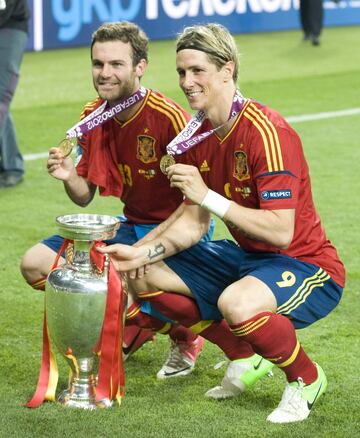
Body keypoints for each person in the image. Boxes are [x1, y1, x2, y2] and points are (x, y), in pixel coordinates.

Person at [98, 23, 345, 424]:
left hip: (305, 263)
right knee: (143, 275)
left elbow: (281, 231)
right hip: (249, 260)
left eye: (197, 71)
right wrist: (139, 252)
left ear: (227, 70)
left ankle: (307, 378)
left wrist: (209, 196)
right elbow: (192, 223)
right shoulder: (197, 135)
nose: (187, 82)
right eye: (181, 72)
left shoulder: (267, 132)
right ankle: (245, 353)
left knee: (236, 303)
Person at [20, 21, 210, 379]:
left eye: (116, 64)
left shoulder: (168, 117)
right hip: (129, 226)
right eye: (98, 64)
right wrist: (69, 175)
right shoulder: (92, 114)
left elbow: (195, 207)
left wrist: (150, 245)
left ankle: (183, 337)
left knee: (125, 280)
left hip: (174, 231)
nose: (105, 73)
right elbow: (83, 197)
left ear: (140, 67)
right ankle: (137, 322)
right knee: (35, 264)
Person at [0, 0, 29, 188]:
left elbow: (5, 7)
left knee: (1, 96)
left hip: (11, 26)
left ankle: (13, 168)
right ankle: (12, 166)